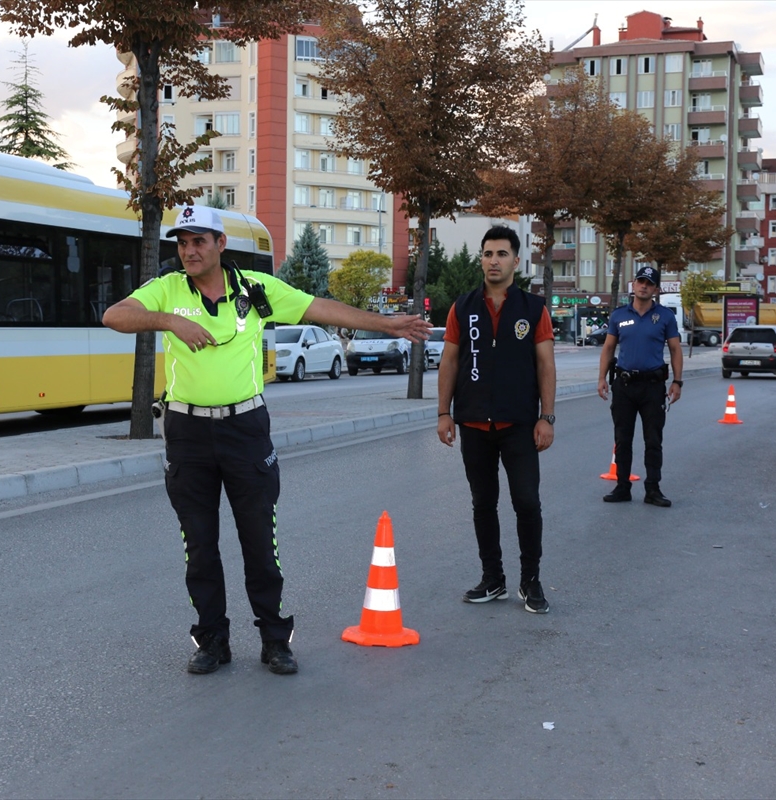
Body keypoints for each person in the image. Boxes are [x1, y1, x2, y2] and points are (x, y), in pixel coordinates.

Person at [102, 205, 431, 676]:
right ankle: (212, 639)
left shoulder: (255, 290)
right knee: (199, 543)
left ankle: (275, 638)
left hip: (245, 428)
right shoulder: (168, 290)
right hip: (188, 431)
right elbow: (116, 315)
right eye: (183, 242)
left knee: (259, 539)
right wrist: (169, 322)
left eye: (199, 241)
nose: (189, 250)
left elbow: (320, 306)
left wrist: (387, 324)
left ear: (220, 244)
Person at [436, 226, 556, 614]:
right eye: (487, 254)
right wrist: (443, 413)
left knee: (527, 503)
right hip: (473, 423)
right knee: (482, 503)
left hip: (519, 424)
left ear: (516, 261)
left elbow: (545, 365)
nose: (493, 261)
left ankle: (531, 580)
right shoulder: (462, 306)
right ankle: (493, 578)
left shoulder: (533, 309)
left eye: (501, 254)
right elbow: (450, 361)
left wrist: (546, 417)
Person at [596, 265, 683, 507]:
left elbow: (675, 350)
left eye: (649, 283)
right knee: (622, 439)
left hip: (653, 387)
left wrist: (677, 381)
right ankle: (623, 486)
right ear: (634, 285)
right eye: (640, 281)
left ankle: (652, 489)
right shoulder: (619, 316)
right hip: (624, 386)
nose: (644, 286)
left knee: (653, 440)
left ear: (655, 289)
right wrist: (602, 378)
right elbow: (609, 348)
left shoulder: (665, 316)